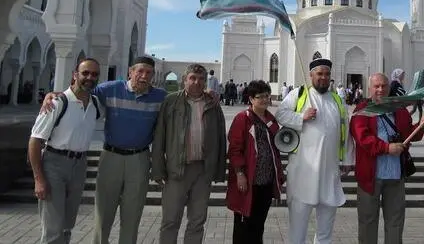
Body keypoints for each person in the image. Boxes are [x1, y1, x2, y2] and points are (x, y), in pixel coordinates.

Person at [42, 55, 169, 244]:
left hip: (139, 158)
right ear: (130, 72)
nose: (143, 76)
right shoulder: (109, 90)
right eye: (139, 71)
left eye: (148, 73)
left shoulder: (161, 97)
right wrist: (53, 94)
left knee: (132, 214)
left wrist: (209, 92)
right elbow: (80, 91)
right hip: (111, 156)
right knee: (103, 213)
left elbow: (184, 101)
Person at [275, 58, 355, 244]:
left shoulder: (337, 99)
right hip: (304, 172)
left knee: (326, 228)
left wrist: (348, 158)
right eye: (319, 74)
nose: (323, 78)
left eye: (327, 74)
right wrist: (301, 116)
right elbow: (281, 114)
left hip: (329, 172)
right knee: (298, 227)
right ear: (311, 75)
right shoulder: (299, 94)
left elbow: (346, 129)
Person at [350, 73, 424, 244]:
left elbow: (409, 135)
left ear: (389, 87)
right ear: (369, 88)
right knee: (367, 222)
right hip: (370, 176)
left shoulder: (399, 110)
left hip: (395, 175)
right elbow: (362, 138)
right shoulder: (362, 111)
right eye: (376, 86)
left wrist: (422, 125)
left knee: (395, 222)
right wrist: (386, 148)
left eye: (384, 86)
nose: (380, 89)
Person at [151, 63, 227, 243]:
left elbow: (221, 139)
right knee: (170, 220)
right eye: (192, 78)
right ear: (184, 80)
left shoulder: (213, 105)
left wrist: (218, 169)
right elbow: (159, 137)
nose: (197, 82)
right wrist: (157, 168)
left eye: (201, 79)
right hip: (177, 170)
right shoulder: (171, 102)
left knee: (197, 220)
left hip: (202, 170)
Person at [29, 58, 101, 244]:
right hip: (54, 165)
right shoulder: (57, 103)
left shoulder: (95, 104)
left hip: (79, 166)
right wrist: (38, 179)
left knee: (67, 225)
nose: (89, 77)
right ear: (75, 75)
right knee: (53, 228)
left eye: (94, 74)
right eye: (85, 73)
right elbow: (35, 141)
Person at [226, 80, 285, 243]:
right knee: (244, 225)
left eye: (267, 96)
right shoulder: (242, 119)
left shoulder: (270, 119)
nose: (265, 100)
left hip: (265, 181)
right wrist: (240, 173)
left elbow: (277, 148)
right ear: (251, 99)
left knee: (258, 225)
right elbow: (235, 149)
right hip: (249, 181)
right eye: (260, 97)